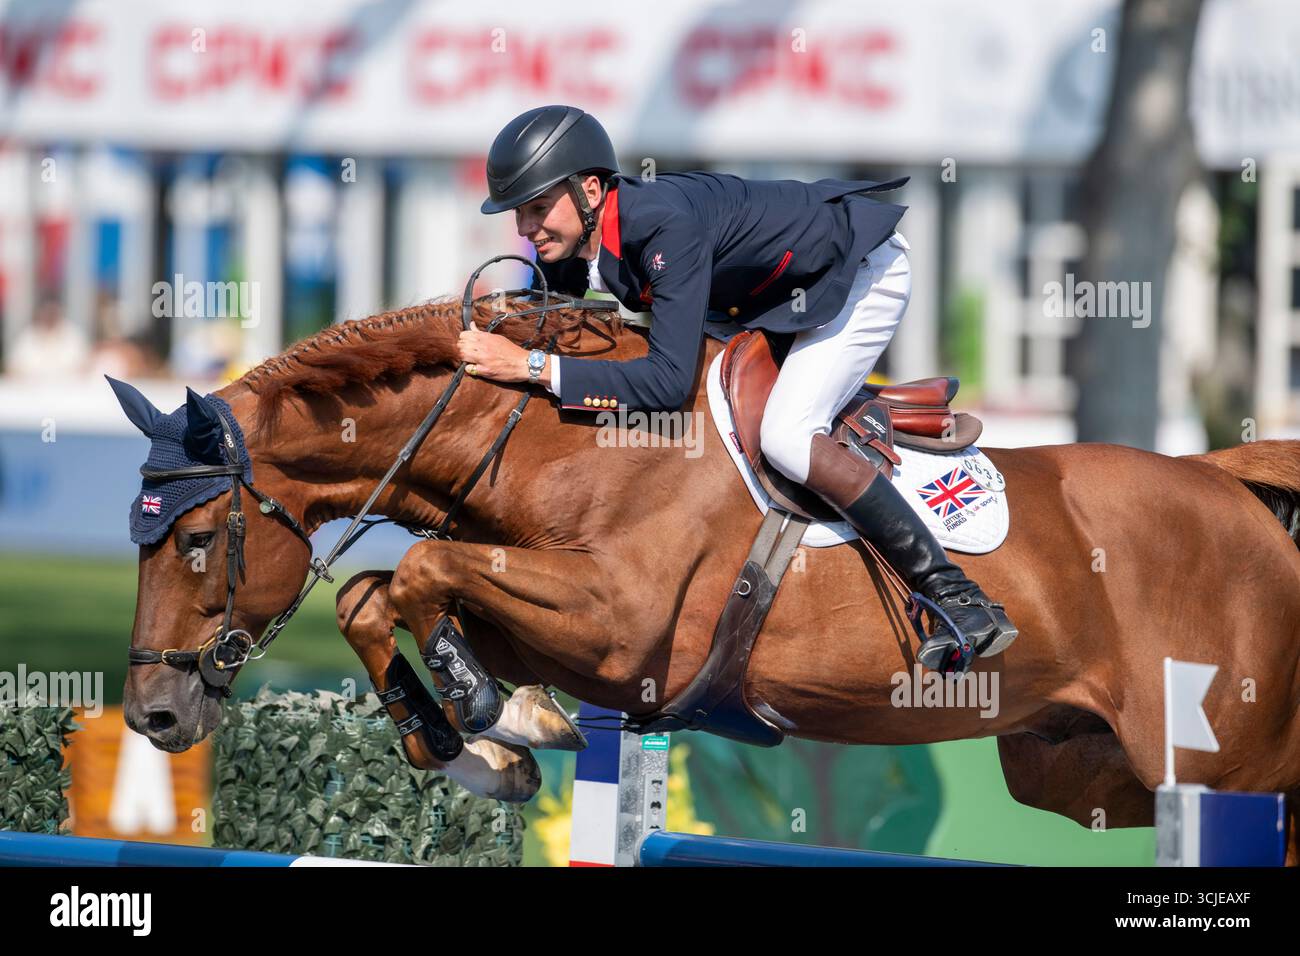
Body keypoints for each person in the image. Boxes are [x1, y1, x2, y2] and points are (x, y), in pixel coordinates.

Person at [458, 104, 1018, 674]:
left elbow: (665, 384)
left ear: (592, 191)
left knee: (787, 435)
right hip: (767, 296)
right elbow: (552, 325)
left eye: (535, 210)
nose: (526, 230)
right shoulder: (586, 239)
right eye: (518, 215)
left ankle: (955, 595)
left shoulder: (661, 228)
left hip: (857, 276)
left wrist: (531, 367)